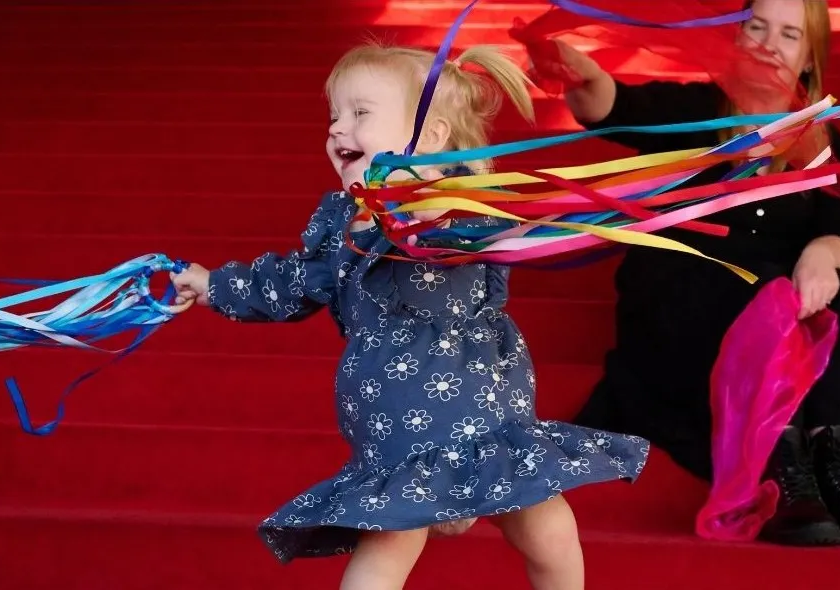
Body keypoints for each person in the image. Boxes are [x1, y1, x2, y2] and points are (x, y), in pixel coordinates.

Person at [169, 42, 650, 590]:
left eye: (360, 114)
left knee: (546, 529)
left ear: (432, 138)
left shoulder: (459, 206)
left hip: (485, 408)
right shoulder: (343, 223)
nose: (337, 129)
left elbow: (496, 236)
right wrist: (216, 286)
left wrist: (430, 202)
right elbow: (294, 281)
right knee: (390, 542)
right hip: (396, 418)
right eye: (334, 115)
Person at [530, 0, 840, 548]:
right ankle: (781, 463)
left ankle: (835, 464)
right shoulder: (697, 111)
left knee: (832, 292)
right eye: (757, 28)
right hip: (683, 293)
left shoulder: (829, 146)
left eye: (788, 34)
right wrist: (585, 76)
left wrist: (823, 260)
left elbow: (839, 230)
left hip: (778, 295)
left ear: (808, 58)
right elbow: (612, 106)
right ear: (735, 37)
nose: (769, 43)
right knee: (747, 284)